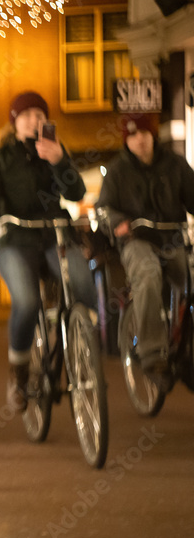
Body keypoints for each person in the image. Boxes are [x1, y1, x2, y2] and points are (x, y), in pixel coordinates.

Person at [0, 91, 98, 411]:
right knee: (28, 301)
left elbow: (77, 191)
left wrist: (59, 161)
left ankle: (77, 342)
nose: (35, 120)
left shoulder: (54, 153)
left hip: (54, 236)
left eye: (40, 116)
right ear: (14, 122)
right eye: (27, 115)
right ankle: (18, 372)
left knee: (83, 283)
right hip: (16, 240)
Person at [96, 113, 194, 388]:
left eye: (144, 133)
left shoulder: (175, 164)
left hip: (172, 239)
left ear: (154, 136)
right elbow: (103, 208)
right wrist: (117, 223)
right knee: (149, 275)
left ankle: (186, 347)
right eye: (133, 135)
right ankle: (152, 355)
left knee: (190, 280)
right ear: (126, 140)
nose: (139, 140)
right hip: (136, 241)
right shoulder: (117, 171)